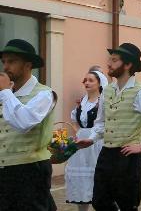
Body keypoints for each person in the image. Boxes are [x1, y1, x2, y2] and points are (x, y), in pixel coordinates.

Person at [76, 42, 141, 211]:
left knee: (128, 204)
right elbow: (101, 122)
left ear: (128, 65)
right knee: (99, 201)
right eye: (109, 60)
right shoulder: (108, 90)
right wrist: (91, 139)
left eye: (114, 60)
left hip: (127, 155)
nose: (109, 64)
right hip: (106, 152)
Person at [0, 39, 57, 210]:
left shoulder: (45, 94)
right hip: (4, 169)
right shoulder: (6, 95)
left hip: (30, 169)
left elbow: (23, 122)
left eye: (12, 61)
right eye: (4, 62)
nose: (5, 67)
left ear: (27, 65)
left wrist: (4, 92)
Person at [65, 70, 107, 211]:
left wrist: (92, 134)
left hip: (97, 143)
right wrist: (78, 132)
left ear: (99, 83)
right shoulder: (82, 101)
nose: (87, 83)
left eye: (91, 80)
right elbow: (74, 119)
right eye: (85, 80)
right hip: (81, 144)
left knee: (98, 180)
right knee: (81, 180)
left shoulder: (103, 101)